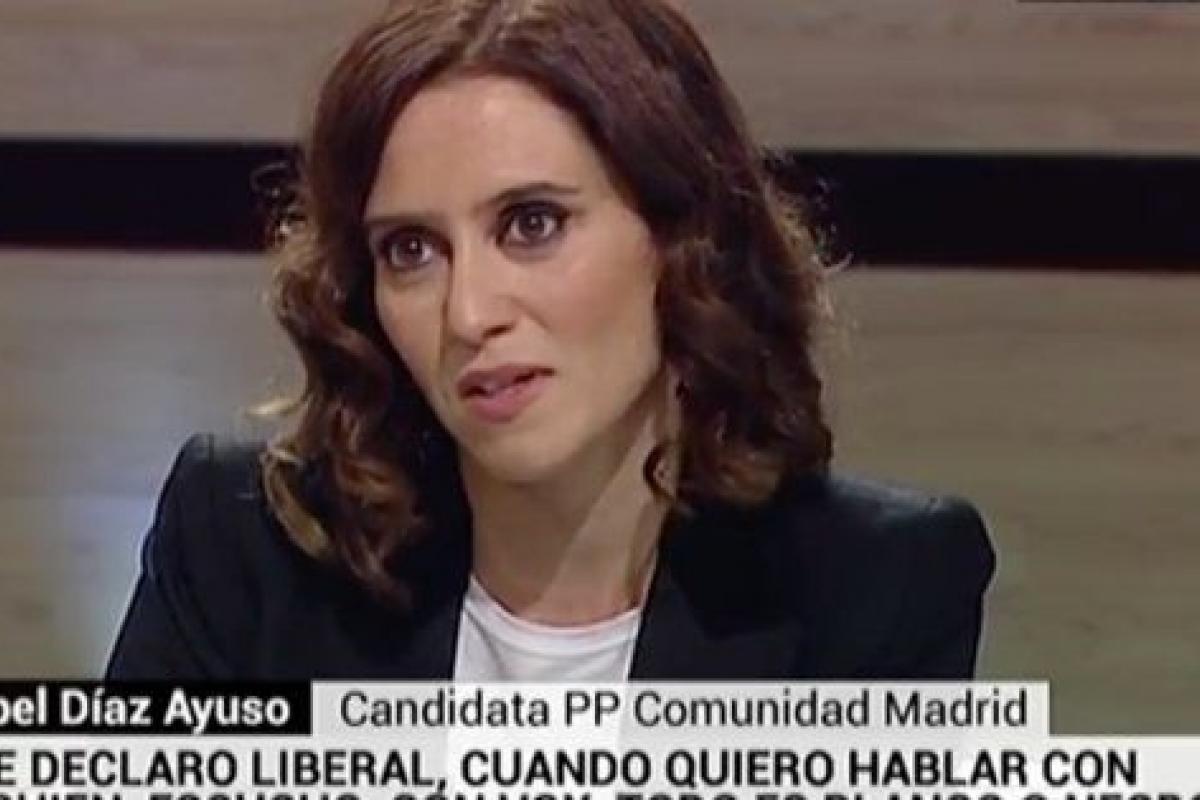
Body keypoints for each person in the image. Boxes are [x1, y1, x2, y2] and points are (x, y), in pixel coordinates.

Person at [106, 0, 995, 680]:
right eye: (410, 250)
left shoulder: (875, 587)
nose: (468, 314)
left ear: (682, 239)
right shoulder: (244, 550)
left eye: (532, 224)